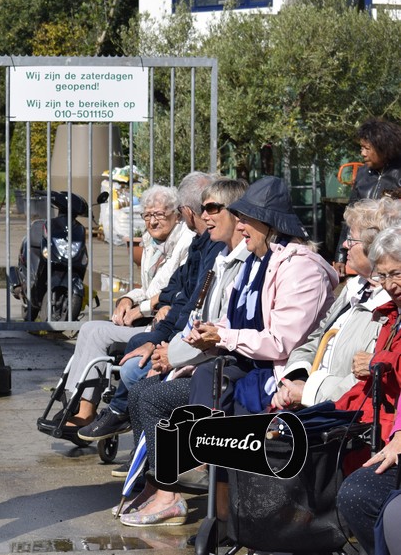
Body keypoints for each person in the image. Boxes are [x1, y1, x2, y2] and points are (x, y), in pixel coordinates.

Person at [119, 176, 337, 527]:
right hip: (240, 364)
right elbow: (227, 320)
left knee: (168, 394)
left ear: (270, 223)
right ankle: (190, 495)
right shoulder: (255, 260)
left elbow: (283, 341)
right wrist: (204, 338)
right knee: (165, 385)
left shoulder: (301, 268)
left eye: (246, 219)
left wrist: (221, 337)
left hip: (277, 373)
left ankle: (190, 490)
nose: (240, 225)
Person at [52, 181, 199, 438]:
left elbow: (165, 289)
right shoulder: (152, 241)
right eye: (147, 215)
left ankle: (86, 409)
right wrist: (126, 299)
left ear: (177, 215)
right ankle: (75, 399)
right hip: (149, 316)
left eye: (159, 214)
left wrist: (139, 309)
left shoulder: (185, 242)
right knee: (88, 328)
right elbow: (149, 288)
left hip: (159, 322)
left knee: (97, 333)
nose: (152, 221)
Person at [272, 198, 397, 410]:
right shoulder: (353, 289)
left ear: (375, 247)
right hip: (316, 407)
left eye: (351, 239)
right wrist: (298, 380)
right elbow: (316, 338)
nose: (345, 245)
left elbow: (365, 381)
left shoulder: (390, 307)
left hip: (348, 418)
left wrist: (309, 392)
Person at [335, 226, 401, 555]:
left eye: (397, 273)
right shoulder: (391, 315)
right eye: (384, 275)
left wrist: (378, 363)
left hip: (387, 427)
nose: (390, 284)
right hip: (378, 419)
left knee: (359, 493)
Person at [334, 117, 401, 278]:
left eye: (367, 148)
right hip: (363, 253)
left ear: (383, 148)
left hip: (392, 253)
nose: (362, 153)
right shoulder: (363, 173)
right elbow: (350, 216)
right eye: (361, 148)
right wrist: (341, 254)